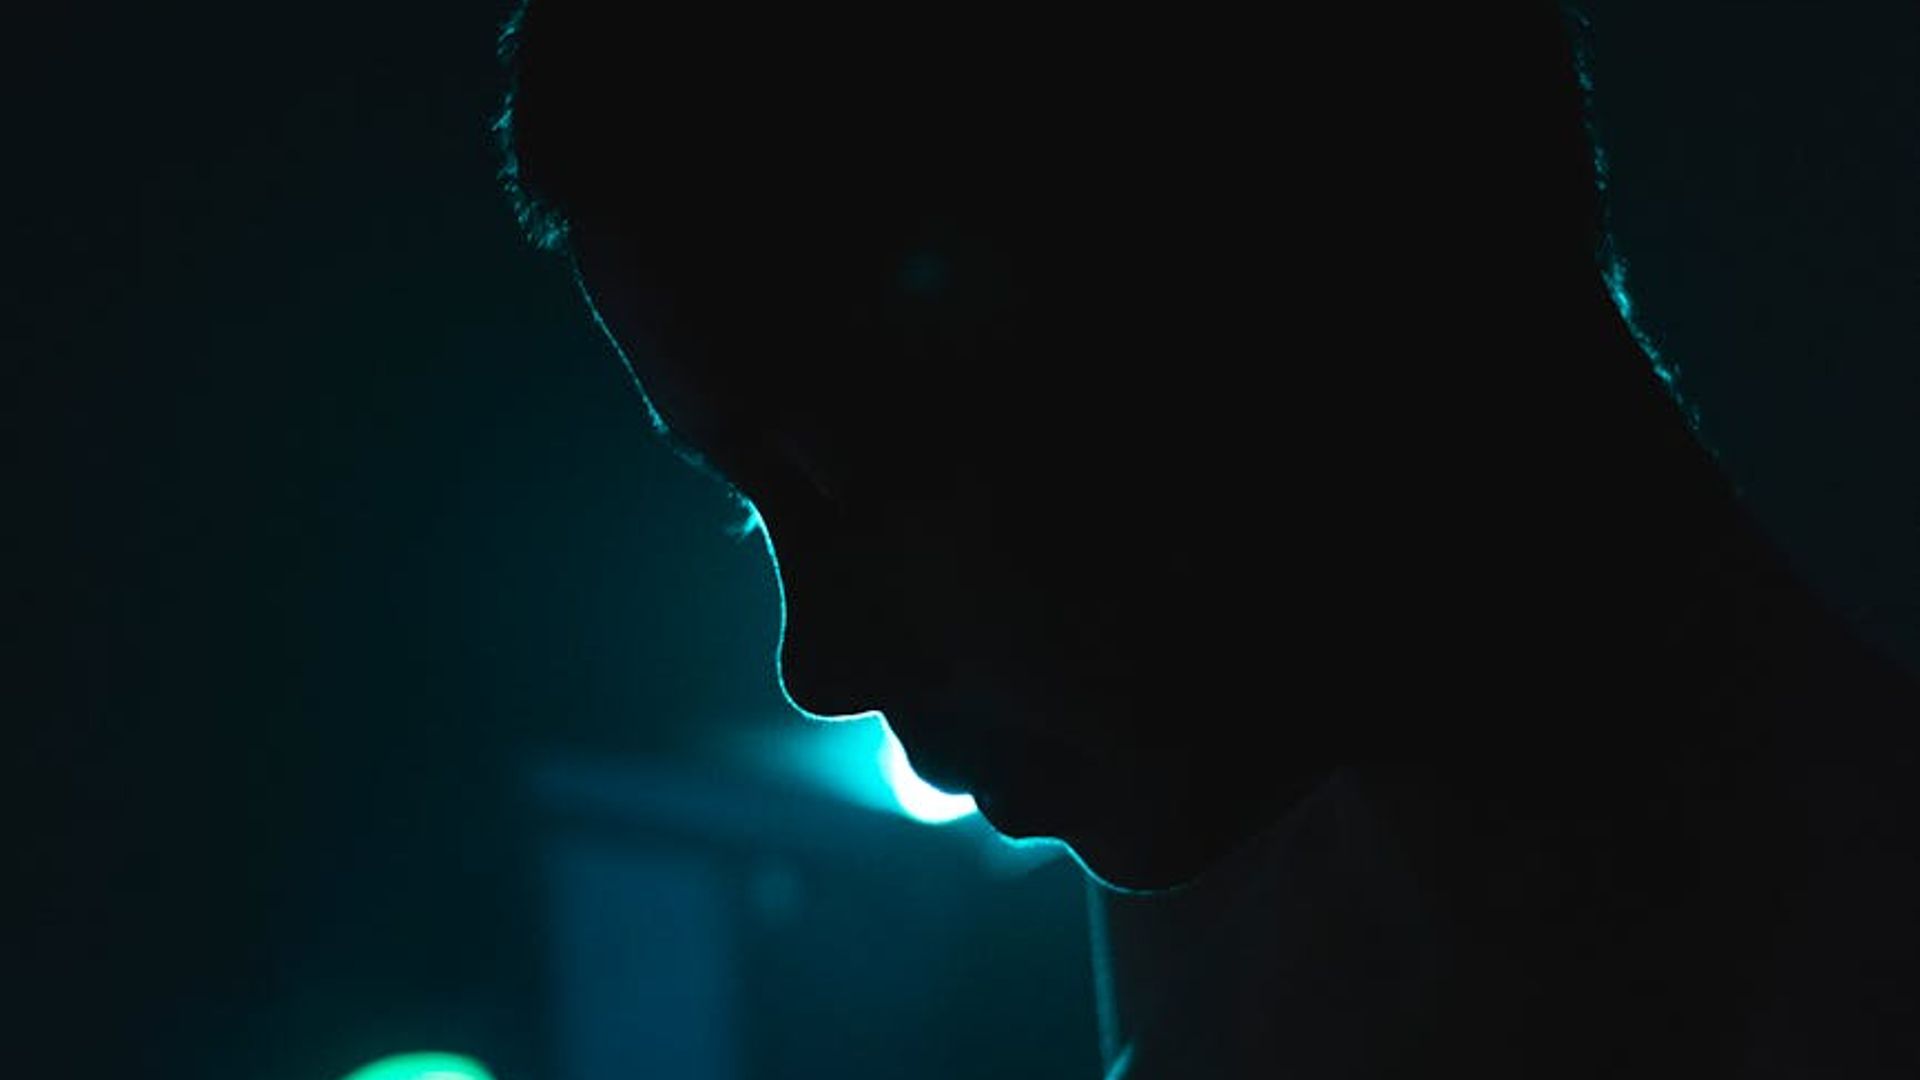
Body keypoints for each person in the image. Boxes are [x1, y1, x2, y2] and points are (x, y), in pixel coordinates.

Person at [493, 4, 1920, 1076]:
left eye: (859, 470)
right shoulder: (1231, 837)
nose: (821, 663)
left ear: (1291, 247)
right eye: (756, 505)